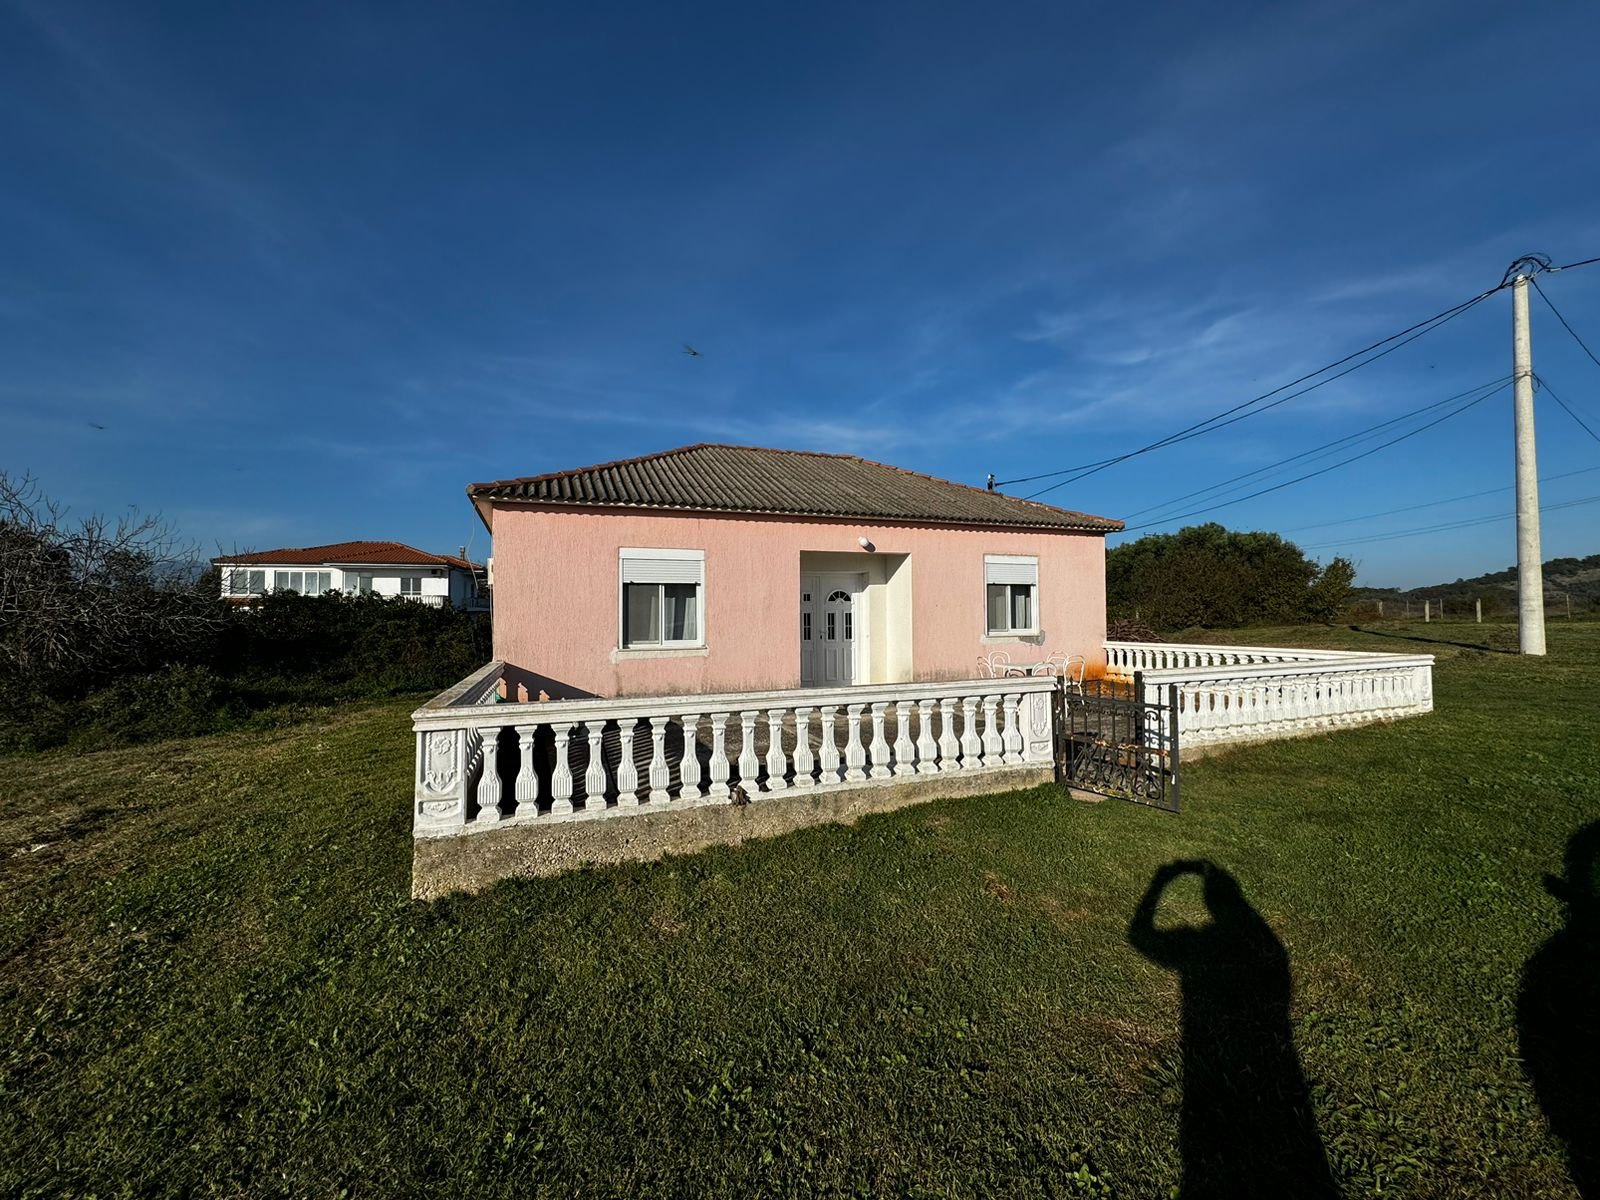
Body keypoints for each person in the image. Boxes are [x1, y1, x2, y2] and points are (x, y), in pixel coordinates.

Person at [1128, 860, 1338, 1198]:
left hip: (1217, 1075)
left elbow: (1139, 936)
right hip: (1274, 1084)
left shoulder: (1234, 944)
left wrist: (1160, 881)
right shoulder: (1266, 944)